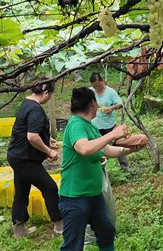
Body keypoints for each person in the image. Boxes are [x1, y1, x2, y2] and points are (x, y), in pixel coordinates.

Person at [59, 87, 143, 251]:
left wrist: (131, 149)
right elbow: (83, 148)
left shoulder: (90, 127)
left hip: (93, 195)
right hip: (75, 197)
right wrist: (113, 134)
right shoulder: (76, 124)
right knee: (72, 246)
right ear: (92, 103)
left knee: (106, 231)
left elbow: (106, 150)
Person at [6, 79, 63, 238]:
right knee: (50, 188)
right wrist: (48, 151)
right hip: (25, 160)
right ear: (46, 93)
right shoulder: (36, 109)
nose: (49, 98)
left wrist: (46, 139)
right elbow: (31, 136)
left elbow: (27, 130)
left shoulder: (26, 103)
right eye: (50, 95)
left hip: (16, 156)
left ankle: (19, 229)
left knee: (22, 191)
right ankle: (60, 225)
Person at [89, 72, 129, 171]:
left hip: (109, 125)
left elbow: (120, 104)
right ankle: (100, 168)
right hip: (95, 125)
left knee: (118, 144)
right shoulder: (90, 92)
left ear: (103, 81)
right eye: (95, 87)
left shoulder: (111, 92)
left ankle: (125, 166)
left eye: (99, 85)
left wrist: (112, 107)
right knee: (97, 147)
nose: (97, 88)